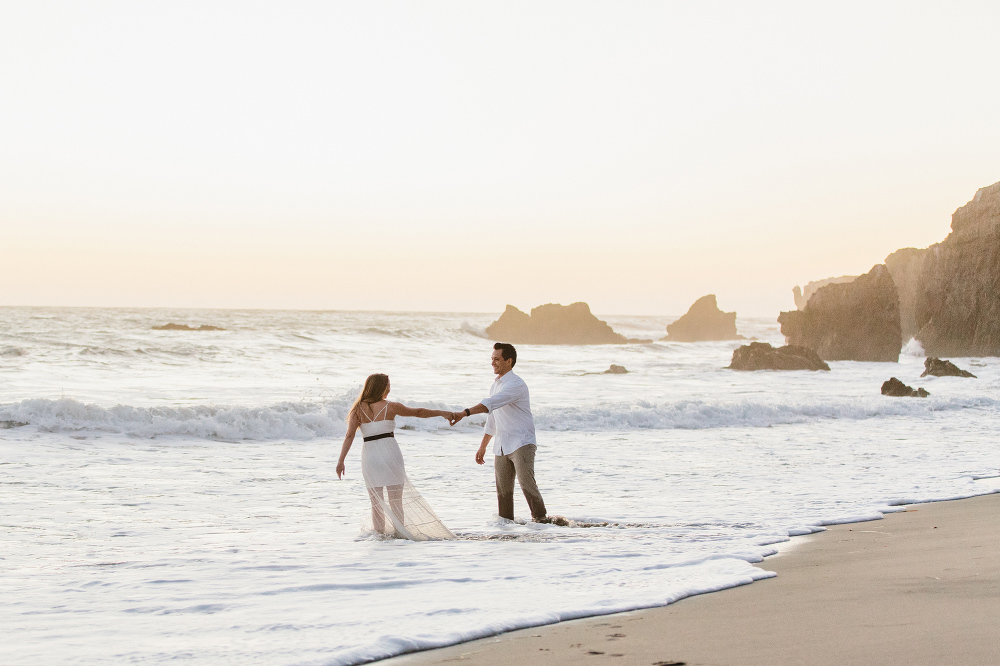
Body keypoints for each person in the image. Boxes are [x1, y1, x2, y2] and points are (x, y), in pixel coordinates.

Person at [337, 373, 455, 541]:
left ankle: (379, 538)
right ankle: (400, 536)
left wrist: (341, 461)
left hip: (370, 457)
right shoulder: (391, 406)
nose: (390, 388)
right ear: (381, 388)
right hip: (390, 453)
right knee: (396, 501)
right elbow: (419, 412)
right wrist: (442, 412)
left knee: (376, 503)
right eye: (388, 385)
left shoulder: (357, 409)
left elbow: (349, 436)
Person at [449, 343, 548, 521]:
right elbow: (492, 419)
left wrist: (465, 413)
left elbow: (491, 403)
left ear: (509, 361)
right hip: (502, 445)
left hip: (521, 443)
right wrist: (482, 447)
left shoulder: (516, 384)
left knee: (527, 484)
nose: (493, 363)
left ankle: (542, 520)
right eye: (492, 359)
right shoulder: (495, 385)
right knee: (503, 491)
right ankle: (506, 528)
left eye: (497, 359)